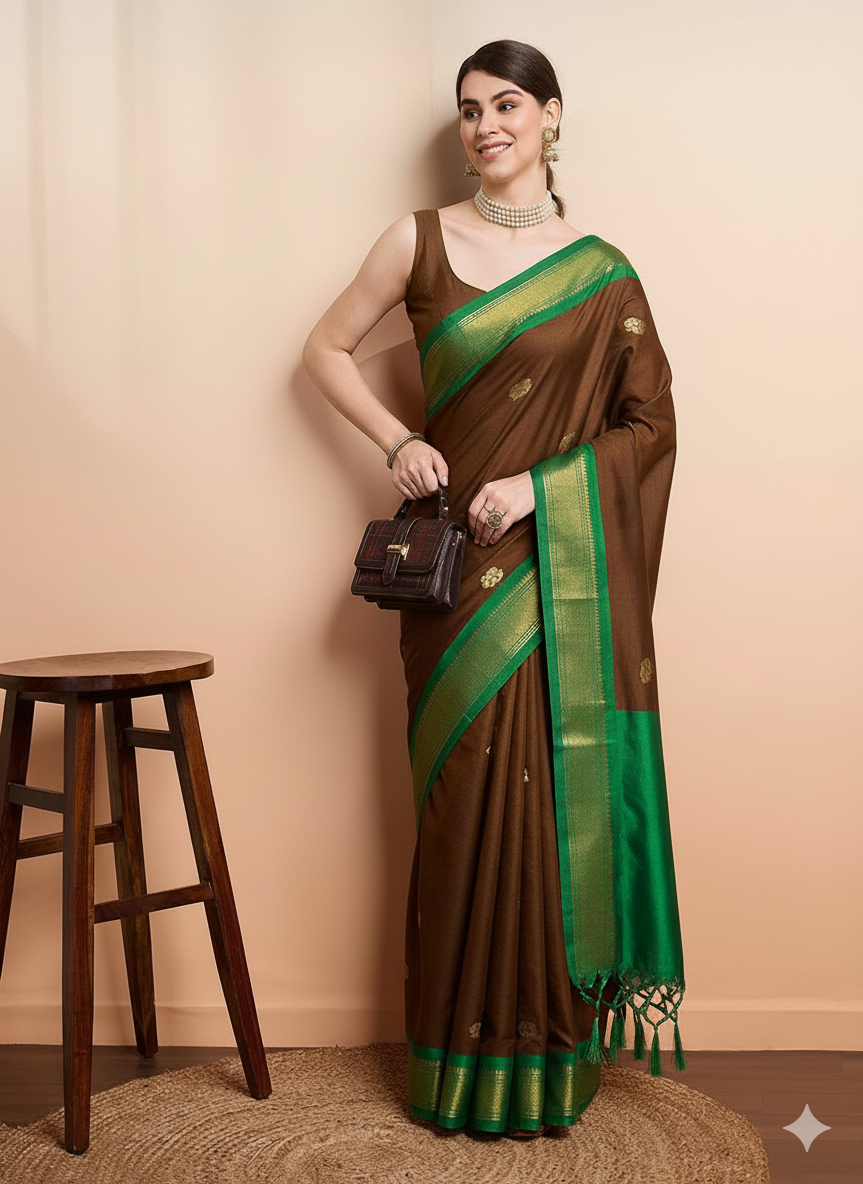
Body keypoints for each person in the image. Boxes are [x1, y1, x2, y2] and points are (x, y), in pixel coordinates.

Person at [303, 39, 687, 1139]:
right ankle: (453, 1071)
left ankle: (546, 1069)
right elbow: (323, 349)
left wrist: (539, 488)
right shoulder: (416, 241)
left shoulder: (602, 272)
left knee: (553, 811)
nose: (486, 127)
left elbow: (650, 427)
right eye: (470, 110)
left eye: (508, 105)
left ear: (552, 116)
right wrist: (397, 440)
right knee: (464, 810)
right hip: (454, 593)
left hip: (558, 584)